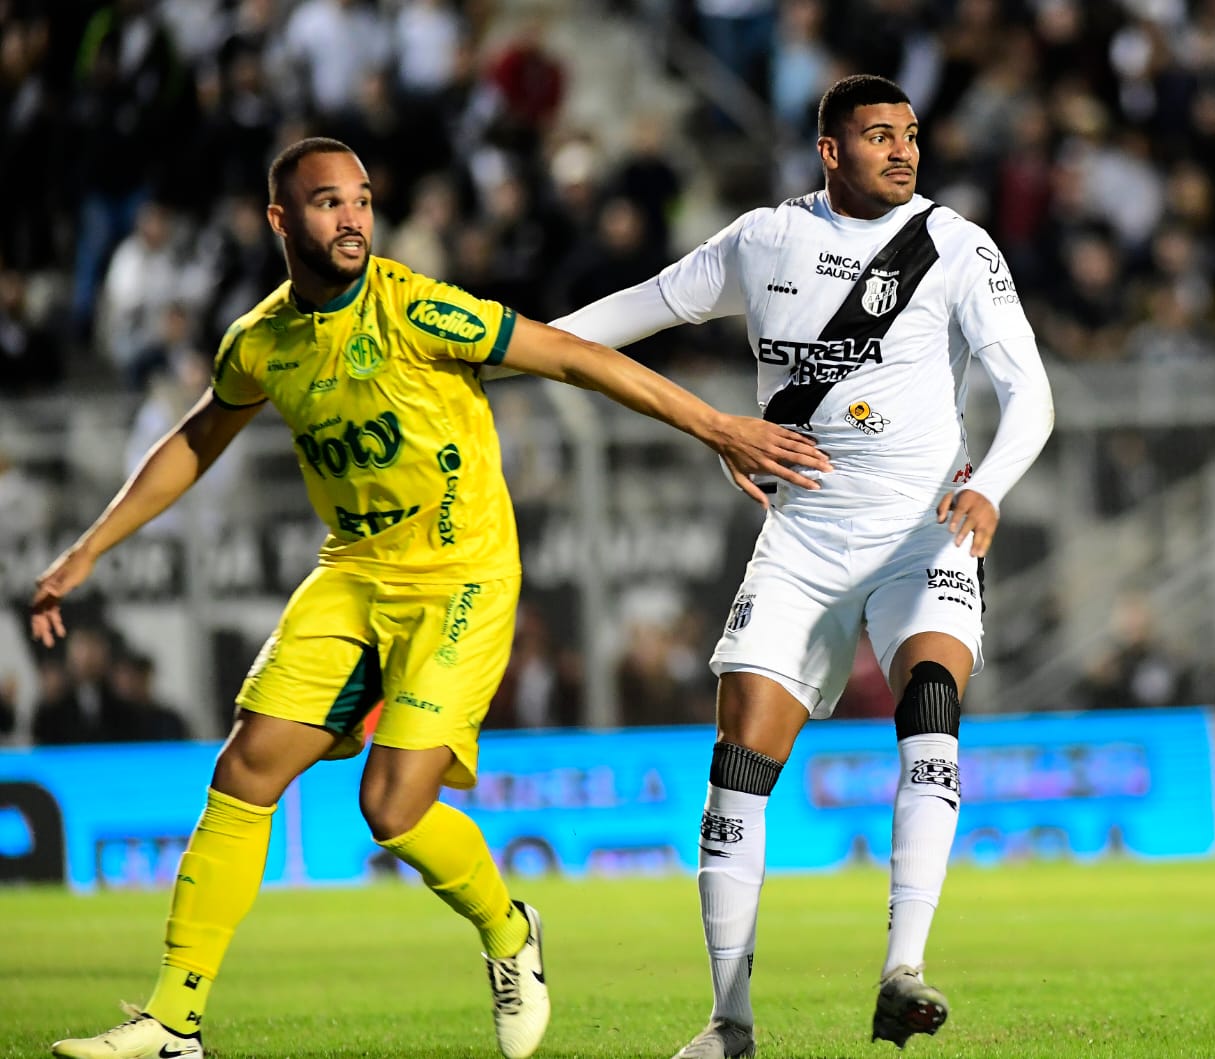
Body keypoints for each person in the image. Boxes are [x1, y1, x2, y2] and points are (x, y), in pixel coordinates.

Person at [32, 136, 828, 1059]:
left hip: (461, 579)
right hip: (352, 573)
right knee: (246, 769)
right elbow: (199, 435)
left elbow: (569, 357)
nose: (355, 217)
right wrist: (91, 546)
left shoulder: (416, 307)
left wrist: (716, 425)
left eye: (364, 199)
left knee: (391, 805)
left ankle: (509, 930)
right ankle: (173, 1022)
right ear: (280, 221)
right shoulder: (262, 341)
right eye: (330, 203)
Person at [536, 75, 1054, 1056]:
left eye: (908, 136)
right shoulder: (763, 241)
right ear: (828, 150)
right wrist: (512, 346)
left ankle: (903, 969)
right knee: (739, 767)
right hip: (806, 538)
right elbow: (645, 307)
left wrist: (988, 483)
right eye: (876, 137)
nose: (902, 152)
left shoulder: (953, 245)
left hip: (923, 529)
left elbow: (1027, 388)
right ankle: (729, 1026)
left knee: (930, 704)